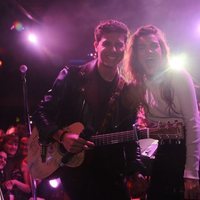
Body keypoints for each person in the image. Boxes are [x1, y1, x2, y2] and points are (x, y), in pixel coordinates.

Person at [32, 19, 147, 200]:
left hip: (112, 173)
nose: (114, 50)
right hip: (77, 173)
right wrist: (61, 136)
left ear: (125, 48)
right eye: (107, 44)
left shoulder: (127, 90)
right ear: (96, 45)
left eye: (119, 45)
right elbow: (41, 113)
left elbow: (130, 134)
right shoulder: (72, 76)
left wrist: (135, 168)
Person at [124, 24, 200, 199]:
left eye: (153, 45)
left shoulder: (178, 75)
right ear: (135, 54)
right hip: (165, 152)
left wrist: (192, 173)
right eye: (142, 48)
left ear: (162, 50)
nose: (149, 51)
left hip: (188, 152)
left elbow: (193, 124)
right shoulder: (138, 85)